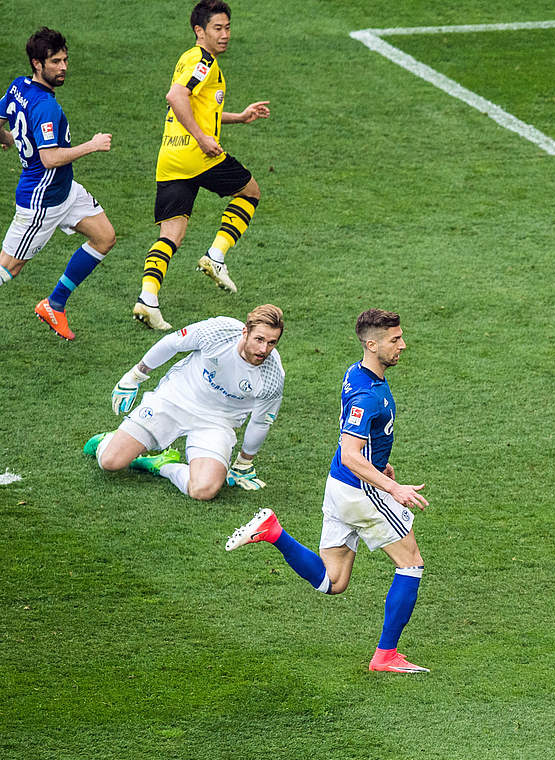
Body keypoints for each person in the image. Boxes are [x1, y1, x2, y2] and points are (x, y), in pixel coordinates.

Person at [226, 309, 431, 674]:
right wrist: (391, 486)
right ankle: (386, 655)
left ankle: (274, 532)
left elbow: (357, 449)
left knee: (332, 582)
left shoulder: (356, 373)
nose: (403, 345)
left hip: (339, 487)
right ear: (372, 344)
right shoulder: (367, 396)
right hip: (360, 492)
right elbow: (353, 455)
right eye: (394, 340)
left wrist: (380, 461)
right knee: (411, 564)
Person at [133, 0, 271, 331]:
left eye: (227, 28)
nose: (225, 35)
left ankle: (147, 299)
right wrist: (202, 138)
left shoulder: (190, 59)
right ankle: (216, 256)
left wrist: (238, 117)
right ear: (200, 31)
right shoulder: (202, 61)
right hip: (198, 156)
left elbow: (194, 107)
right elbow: (176, 97)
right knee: (250, 192)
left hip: (171, 158)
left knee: (171, 235)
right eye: (217, 28)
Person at [83, 303, 285, 501]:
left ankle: (160, 465)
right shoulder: (218, 332)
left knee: (203, 490)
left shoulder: (273, 375)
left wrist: (243, 462)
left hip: (217, 423)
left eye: (271, 342)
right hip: (174, 399)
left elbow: (260, 422)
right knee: (110, 462)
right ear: (245, 332)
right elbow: (172, 343)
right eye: (259, 339)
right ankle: (108, 440)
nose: (263, 349)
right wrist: (135, 375)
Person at [0, 27, 116, 340]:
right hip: (41, 200)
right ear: (37, 64)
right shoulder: (45, 106)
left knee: (104, 237)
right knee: (7, 269)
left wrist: (7, 138)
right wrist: (91, 145)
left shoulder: (18, 86)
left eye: (65, 60)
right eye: (55, 62)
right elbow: (50, 158)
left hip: (64, 190)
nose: (63, 67)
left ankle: (55, 305)